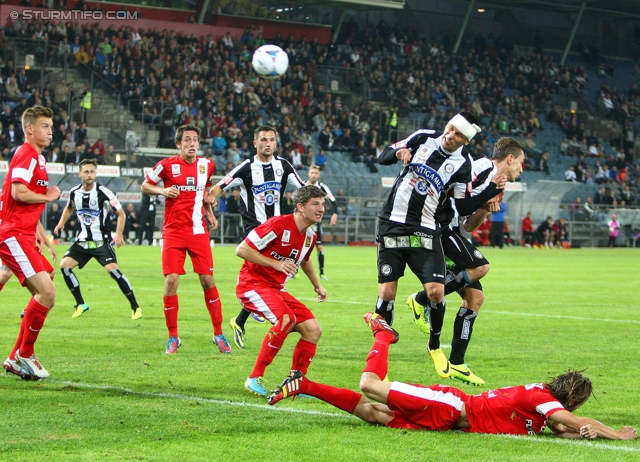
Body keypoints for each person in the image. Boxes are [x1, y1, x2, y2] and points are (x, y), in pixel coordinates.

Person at [268, 313, 638, 441]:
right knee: (369, 387)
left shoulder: (542, 412)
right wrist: (615, 433)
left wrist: (590, 432)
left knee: (373, 414)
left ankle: (305, 385)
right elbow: (571, 422)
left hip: (447, 424)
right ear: (568, 398)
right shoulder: (541, 398)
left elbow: (567, 429)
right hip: (450, 405)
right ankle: (383, 334)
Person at [373, 112, 502, 349]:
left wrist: (490, 191)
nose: (450, 135)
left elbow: (463, 206)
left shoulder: (463, 164)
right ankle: (381, 348)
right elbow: (383, 156)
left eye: (458, 134)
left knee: (435, 292)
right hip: (392, 222)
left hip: (426, 227)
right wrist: (399, 152)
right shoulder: (423, 137)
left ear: (466, 141)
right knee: (387, 292)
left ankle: (434, 345)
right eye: (450, 128)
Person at [408, 137, 523, 385]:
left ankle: (458, 362)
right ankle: (419, 299)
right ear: (510, 159)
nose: (521, 169)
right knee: (480, 266)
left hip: (452, 229)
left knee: (475, 298)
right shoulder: (483, 167)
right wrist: (486, 194)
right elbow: (457, 198)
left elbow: (469, 224)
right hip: (436, 226)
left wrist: (484, 207)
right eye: (521, 163)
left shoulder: (496, 184)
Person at [206, 125, 305, 349]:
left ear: (276, 143)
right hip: (257, 231)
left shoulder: (283, 166)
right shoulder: (246, 168)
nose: (267, 143)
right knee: (272, 277)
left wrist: (313, 198)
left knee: (278, 275)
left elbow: (302, 188)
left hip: (279, 232)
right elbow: (220, 185)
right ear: (255, 143)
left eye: (271, 139)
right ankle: (250, 303)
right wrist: (212, 196)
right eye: (263, 140)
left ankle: (240, 319)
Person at [141, 123, 231, 354]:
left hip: (198, 231)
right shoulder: (166, 165)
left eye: (195, 140)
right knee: (171, 281)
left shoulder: (207, 165)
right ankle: (173, 337)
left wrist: (210, 212)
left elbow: (205, 191)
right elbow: (145, 185)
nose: (192, 144)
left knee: (207, 281)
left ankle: (218, 334)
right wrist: (162, 191)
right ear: (179, 144)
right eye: (187, 140)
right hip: (173, 232)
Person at [235, 185, 327, 396]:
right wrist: (275, 264)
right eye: (315, 204)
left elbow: (305, 260)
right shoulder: (278, 225)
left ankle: (296, 382)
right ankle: (254, 377)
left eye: (322, 204)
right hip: (252, 284)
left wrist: (317, 285)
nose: (321, 209)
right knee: (286, 319)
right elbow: (242, 249)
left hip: (276, 288)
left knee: (313, 329)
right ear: (300, 207)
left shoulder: (309, 236)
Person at [0, 105, 61, 380]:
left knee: (46, 278)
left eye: (51, 126)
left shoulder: (37, 157)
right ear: (30, 129)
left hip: (23, 233)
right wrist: (48, 198)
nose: (51, 131)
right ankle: (24, 353)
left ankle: (16, 357)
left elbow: (23, 202)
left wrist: (40, 233)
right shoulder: (27, 154)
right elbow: (19, 192)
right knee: (46, 293)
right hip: (13, 234)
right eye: (45, 126)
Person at [54, 159, 141, 319]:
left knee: (113, 272)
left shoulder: (104, 192)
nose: (89, 175)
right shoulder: (74, 192)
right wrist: (61, 224)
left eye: (92, 172)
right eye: (86, 172)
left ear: (95, 173)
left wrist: (119, 234)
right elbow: (69, 207)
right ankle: (81, 304)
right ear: (80, 173)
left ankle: (135, 307)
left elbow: (121, 213)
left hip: (101, 242)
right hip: (82, 242)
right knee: (65, 266)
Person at [306, 165, 338, 280]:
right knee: (297, 246)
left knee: (319, 246)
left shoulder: (321, 187)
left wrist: (335, 213)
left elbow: (333, 200)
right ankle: (293, 273)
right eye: (312, 172)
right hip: (303, 223)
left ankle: (322, 273)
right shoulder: (302, 185)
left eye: (316, 173)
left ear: (318, 175)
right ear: (308, 173)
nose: (313, 175)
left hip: (315, 223)